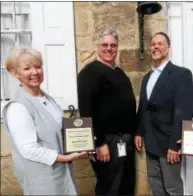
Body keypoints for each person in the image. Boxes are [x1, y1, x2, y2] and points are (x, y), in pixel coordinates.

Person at [2, 48, 87, 195]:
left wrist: (82, 139)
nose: (35, 72)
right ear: (15, 73)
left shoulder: (47, 99)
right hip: (42, 179)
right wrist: (63, 157)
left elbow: (57, 132)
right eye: (27, 68)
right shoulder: (18, 107)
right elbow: (29, 149)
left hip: (61, 175)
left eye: (38, 66)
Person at [134, 32, 193, 196]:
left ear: (168, 48)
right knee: (156, 184)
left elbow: (185, 111)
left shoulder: (180, 74)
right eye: (153, 44)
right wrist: (139, 132)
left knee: (172, 187)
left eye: (160, 44)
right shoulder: (147, 77)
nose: (156, 47)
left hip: (169, 142)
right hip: (151, 141)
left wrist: (175, 145)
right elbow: (143, 108)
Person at [77, 28, 137, 196]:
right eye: (105, 45)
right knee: (109, 188)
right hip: (107, 142)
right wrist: (99, 143)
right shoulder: (89, 72)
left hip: (125, 140)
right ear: (98, 47)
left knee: (126, 186)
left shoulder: (119, 72)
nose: (109, 48)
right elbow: (86, 110)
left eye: (113, 45)